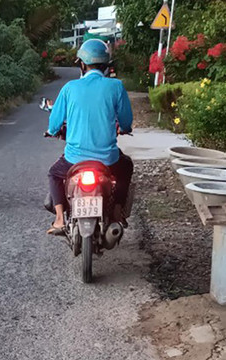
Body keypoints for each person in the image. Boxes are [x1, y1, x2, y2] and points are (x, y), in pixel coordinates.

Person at [45, 39, 134, 235]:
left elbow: (54, 123)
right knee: (126, 166)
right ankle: (118, 210)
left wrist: (52, 132)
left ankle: (59, 219)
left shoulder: (69, 88)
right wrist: (125, 128)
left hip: (74, 160)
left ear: (82, 64)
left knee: (54, 174)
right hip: (108, 160)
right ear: (106, 65)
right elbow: (126, 121)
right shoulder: (116, 87)